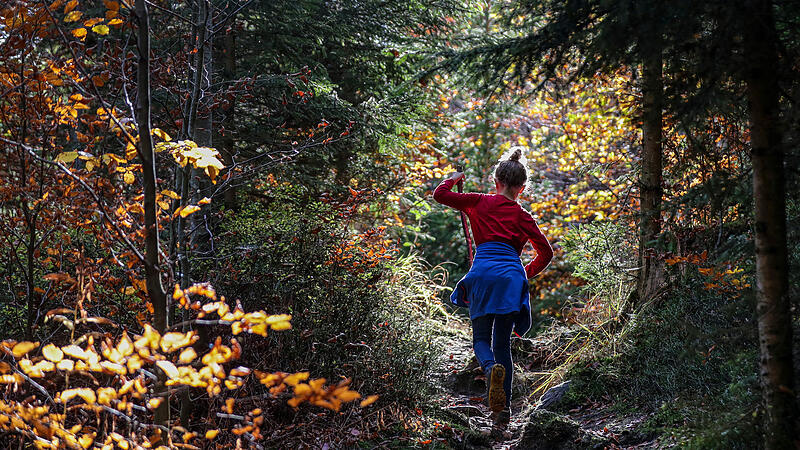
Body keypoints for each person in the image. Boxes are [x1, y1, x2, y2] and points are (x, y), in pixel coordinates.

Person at [433, 147, 553, 425]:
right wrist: (522, 272)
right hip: (510, 278)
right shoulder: (523, 216)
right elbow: (546, 253)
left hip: (483, 274)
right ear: (522, 189)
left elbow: (440, 195)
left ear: (495, 181)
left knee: (480, 341)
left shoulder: (478, 202)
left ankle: (489, 370)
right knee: (503, 346)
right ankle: (503, 413)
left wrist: (453, 177)